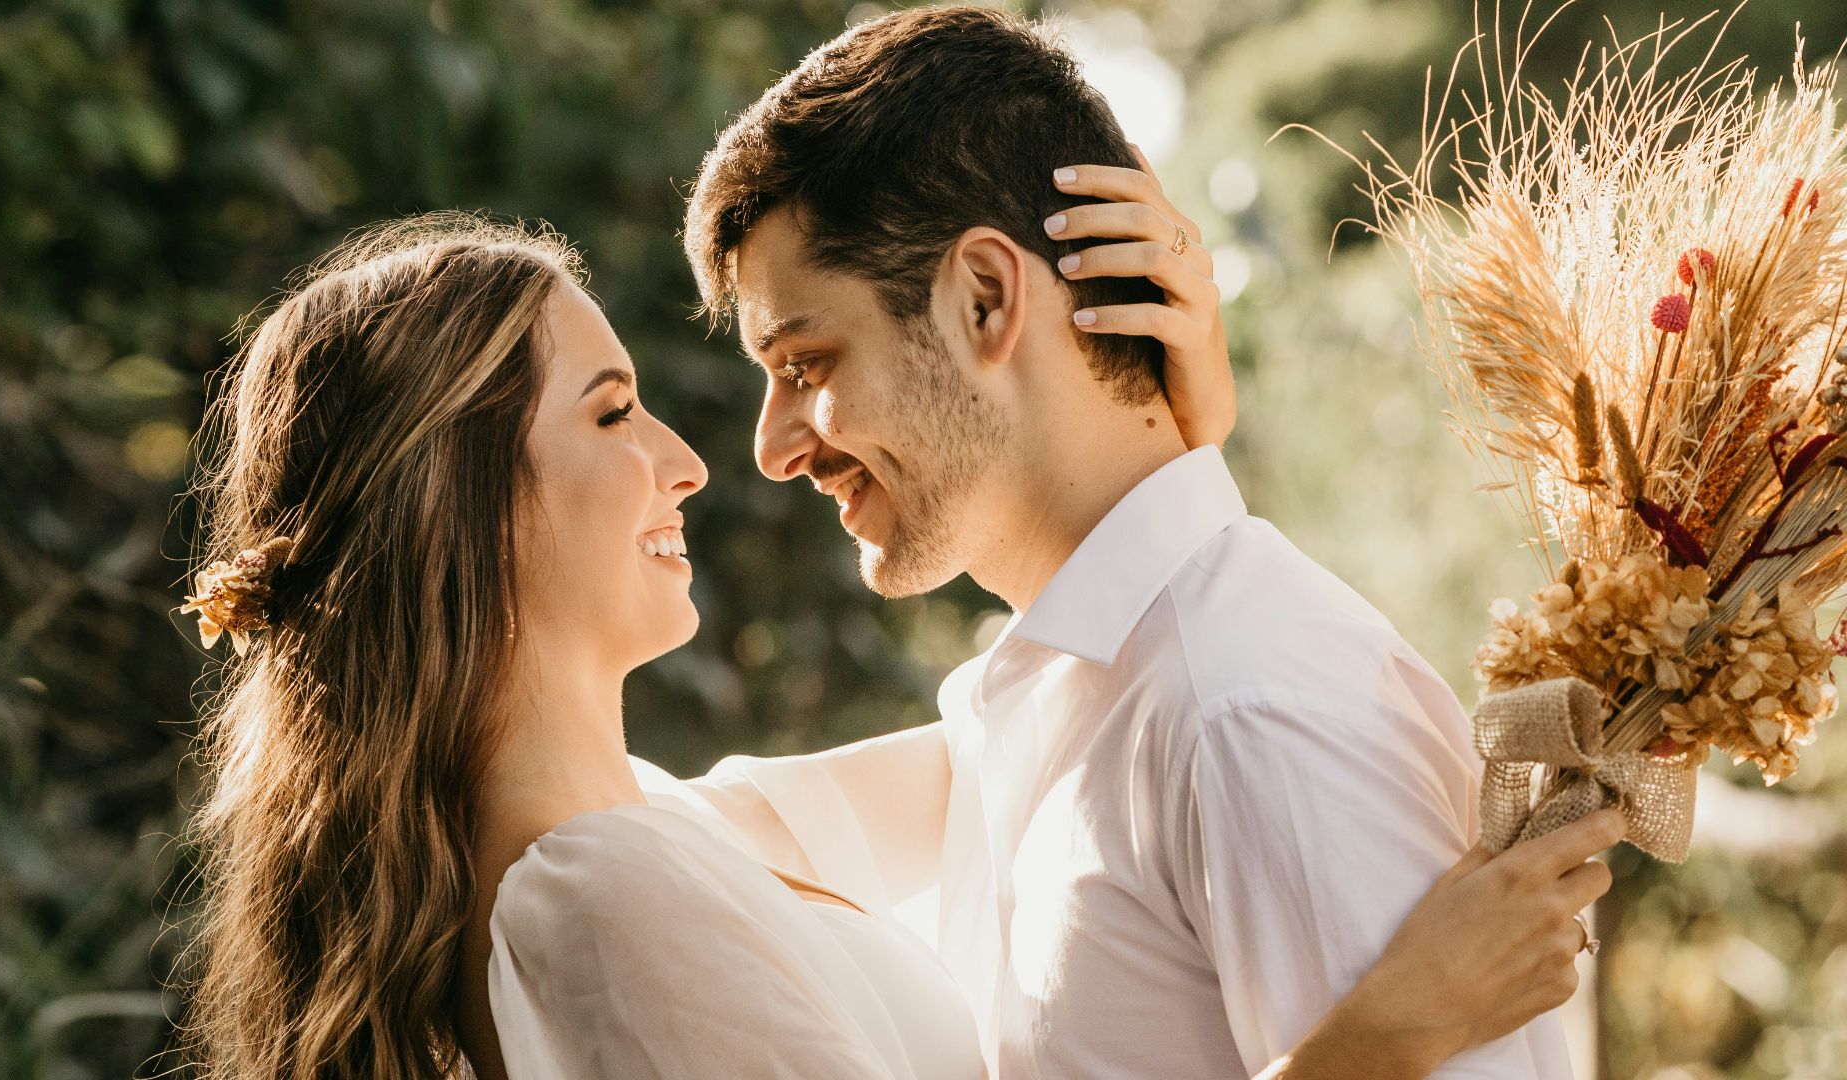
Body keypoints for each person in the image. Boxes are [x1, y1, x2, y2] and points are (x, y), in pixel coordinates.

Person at [174, 210, 1617, 1080]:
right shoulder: (595, 901)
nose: (691, 461)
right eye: (613, 414)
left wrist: (1155, 444)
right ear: (464, 506)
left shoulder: (662, 836)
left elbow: (1055, 716)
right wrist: (1380, 1041)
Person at [667, 5, 1603, 1078]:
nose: (774, 447)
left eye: (806, 364)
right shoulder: (1032, 704)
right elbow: (647, 842)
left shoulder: (1253, 714)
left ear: (984, 299)